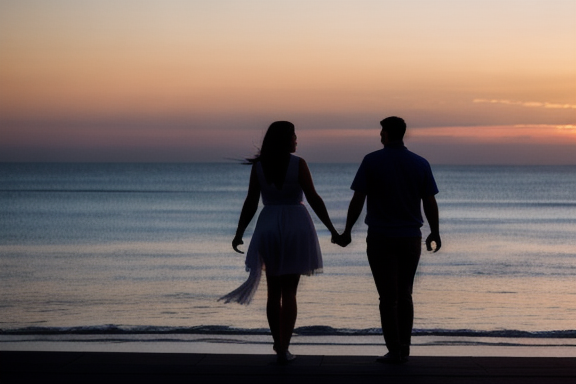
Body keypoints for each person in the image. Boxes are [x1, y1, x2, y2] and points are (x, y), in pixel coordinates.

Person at [219, 121, 339, 364]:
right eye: (294, 136)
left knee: (273, 292)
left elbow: (251, 202)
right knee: (290, 292)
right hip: (296, 225)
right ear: (286, 139)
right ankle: (284, 346)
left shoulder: (260, 167)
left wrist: (239, 232)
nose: (297, 140)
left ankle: (278, 343)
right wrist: (333, 230)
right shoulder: (299, 164)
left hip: (269, 226)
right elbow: (314, 199)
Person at [335, 116, 441, 364]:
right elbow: (429, 201)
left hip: (381, 238)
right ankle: (404, 348)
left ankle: (394, 350)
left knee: (387, 297)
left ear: (387, 133)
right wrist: (435, 232)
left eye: (381, 131)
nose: (379, 135)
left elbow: (358, 199)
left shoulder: (372, 161)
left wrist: (347, 231)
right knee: (405, 294)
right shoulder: (420, 163)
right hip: (410, 238)